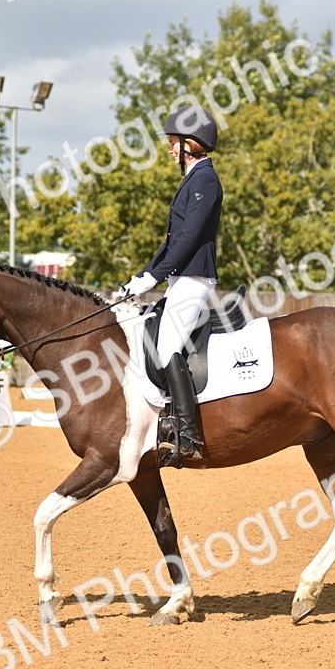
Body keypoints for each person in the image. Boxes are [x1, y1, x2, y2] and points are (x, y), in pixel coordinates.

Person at [115, 105, 223, 468]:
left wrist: (154, 277)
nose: (169, 148)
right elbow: (172, 241)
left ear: (191, 143)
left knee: (166, 346)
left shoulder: (205, 179)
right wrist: (142, 276)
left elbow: (189, 238)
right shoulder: (193, 179)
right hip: (181, 277)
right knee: (151, 335)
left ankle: (188, 434)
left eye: (174, 142)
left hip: (194, 276)